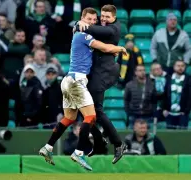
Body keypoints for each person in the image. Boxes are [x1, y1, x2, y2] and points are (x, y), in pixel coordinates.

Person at [39, 7, 127, 171]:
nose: (93, 22)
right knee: (91, 116)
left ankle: (48, 147)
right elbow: (107, 48)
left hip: (68, 80)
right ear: (82, 19)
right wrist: (120, 49)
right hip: (77, 81)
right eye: (89, 19)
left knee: (69, 118)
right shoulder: (83, 34)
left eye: (95, 20)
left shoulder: (80, 34)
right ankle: (79, 152)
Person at [76, 4, 127, 164]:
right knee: (86, 109)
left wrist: (80, 24)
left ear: (114, 17)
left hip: (105, 73)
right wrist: (78, 23)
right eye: (102, 16)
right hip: (97, 73)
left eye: (107, 17)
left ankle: (118, 144)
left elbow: (94, 30)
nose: (103, 19)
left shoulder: (112, 29)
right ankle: (99, 141)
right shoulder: (102, 25)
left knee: (95, 110)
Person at [163, 60, 191, 129]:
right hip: (169, 113)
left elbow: (189, 97)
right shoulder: (168, 78)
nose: (180, 68)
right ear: (174, 67)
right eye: (178, 66)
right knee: (169, 136)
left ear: (185, 67)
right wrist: (164, 109)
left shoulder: (189, 79)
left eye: (182, 66)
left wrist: (186, 111)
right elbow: (164, 95)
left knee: (182, 136)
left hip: (182, 113)